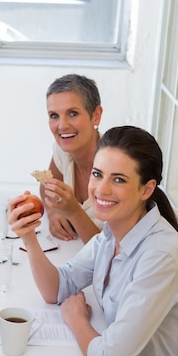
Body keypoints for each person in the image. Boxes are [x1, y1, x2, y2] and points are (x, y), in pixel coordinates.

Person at [9, 126, 178, 356]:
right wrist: (29, 238)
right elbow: (57, 288)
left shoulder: (160, 254)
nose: (101, 189)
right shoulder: (112, 232)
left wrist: (77, 319)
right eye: (98, 174)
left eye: (118, 179)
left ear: (147, 189)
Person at [40, 74, 104, 243]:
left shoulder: (116, 168)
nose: (62, 126)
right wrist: (53, 212)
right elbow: (46, 186)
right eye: (54, 115)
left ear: (96, 115)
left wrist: (74, 212)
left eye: (73, 113)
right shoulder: (63, 151)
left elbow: (109, 252)